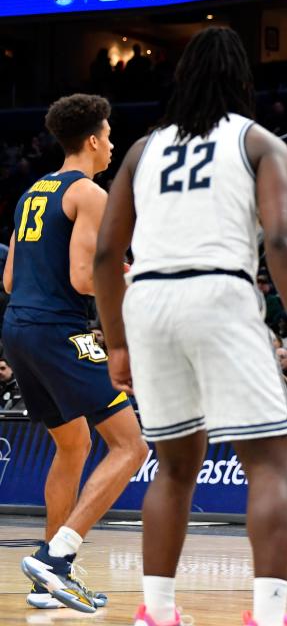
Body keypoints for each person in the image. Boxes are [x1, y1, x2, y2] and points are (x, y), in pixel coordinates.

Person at [92, 28, 287, 626]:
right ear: (242, 80)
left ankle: (157, 613)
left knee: (173, 467)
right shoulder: (259, 142)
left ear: (182, 77)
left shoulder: (141, 150)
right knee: (269, 463)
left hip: (150, 298)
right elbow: (278, 238)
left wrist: (116, 340)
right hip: (218, 289)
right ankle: (269, 617)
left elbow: (106, 253)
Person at [3, 93, 146, 613]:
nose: (112, 145)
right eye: (108, 136)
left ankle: (46, 583)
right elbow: (85, 278)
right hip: (59, 331)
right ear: (92, 140)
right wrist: (132, 282)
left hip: (18, 329)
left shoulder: (29, 194)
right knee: (131, 447)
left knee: (74, 445)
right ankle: (57, 559)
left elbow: (10, 277)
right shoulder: (89, 193)